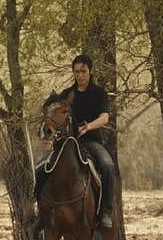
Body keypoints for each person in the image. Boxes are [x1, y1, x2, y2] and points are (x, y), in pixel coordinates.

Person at [35, 54, 115, 228]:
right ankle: (41, 212)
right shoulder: (67, 94)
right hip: (66, 143)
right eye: (77, 71)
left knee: (108, 165)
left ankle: (106, 212)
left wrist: (88, 126)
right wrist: (46, 127)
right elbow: (51, 109)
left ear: (90, 71)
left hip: (91, 142)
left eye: (83, 71)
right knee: (39, 167)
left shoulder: (98, 93)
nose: (80, 75)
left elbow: (105, 118)